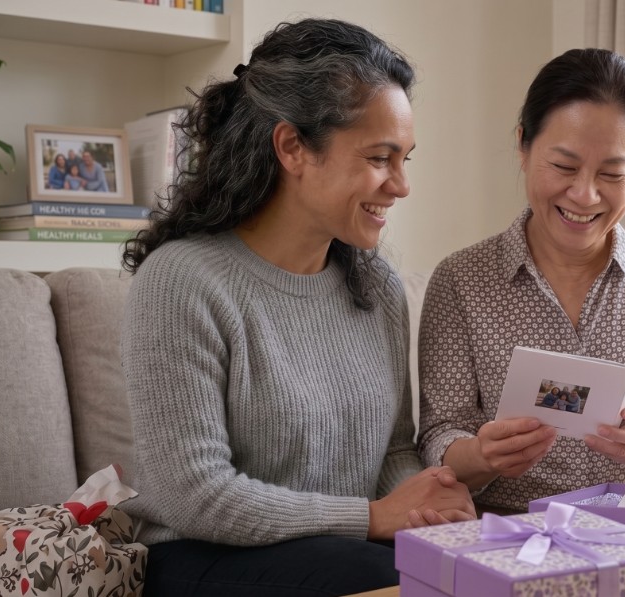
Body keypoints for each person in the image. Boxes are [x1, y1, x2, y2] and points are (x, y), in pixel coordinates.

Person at [119, 18, 475, 597]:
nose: (401, 185)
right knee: (396, 579)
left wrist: (429, 500)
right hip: (204, 558)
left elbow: (395, 451)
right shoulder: (183, 282)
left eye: (406, 158)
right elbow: (195, 494)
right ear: (292, 148)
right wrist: (374, 517)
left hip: (345, 552)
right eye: (381, 157)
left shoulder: (377, 287)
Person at [418, 48, 625, 513]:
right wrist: (483, 456)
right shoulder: (462, 281)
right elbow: (441, 434)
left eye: (612, 173)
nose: (584, 194)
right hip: (509, 536)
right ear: (523, 145)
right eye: (563, 167)